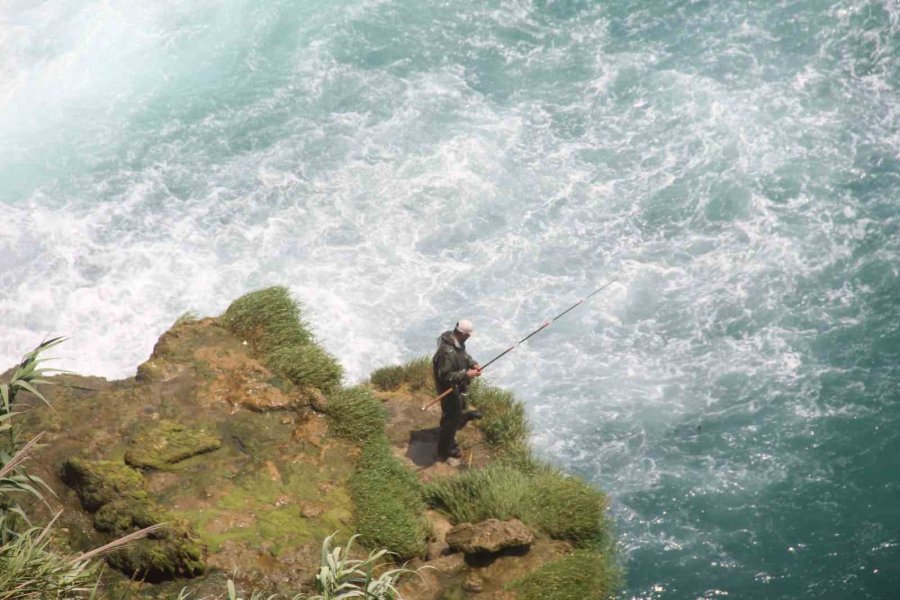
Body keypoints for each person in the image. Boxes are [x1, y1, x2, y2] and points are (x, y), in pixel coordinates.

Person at [432, 319, 482, 461]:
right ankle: (445, 450)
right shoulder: (447, 353)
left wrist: (472, 363)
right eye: (468, 335)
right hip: (447, 389)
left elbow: (463, 355)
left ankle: (462, 415)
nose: (469, 337)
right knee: (449, 419)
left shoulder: (454, 340)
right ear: (463, 334)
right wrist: (466, 374)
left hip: (456, 385)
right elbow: (444, 376)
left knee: (459, 407)